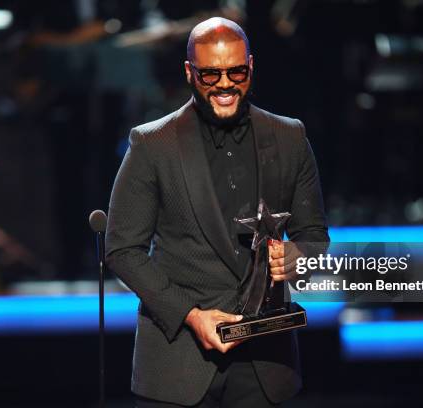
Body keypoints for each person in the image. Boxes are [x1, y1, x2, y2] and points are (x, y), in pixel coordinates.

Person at [106, 17, 328, 407]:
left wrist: (298, 257)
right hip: (178, 365)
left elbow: (314, 238)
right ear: (189, 72)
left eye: (236, 72)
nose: (225, 84)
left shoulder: (290, 137)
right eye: (211, 74)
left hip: (265, 366)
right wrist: (191, 315)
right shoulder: (152, 144)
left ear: (251, 67)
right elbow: (122, 250)